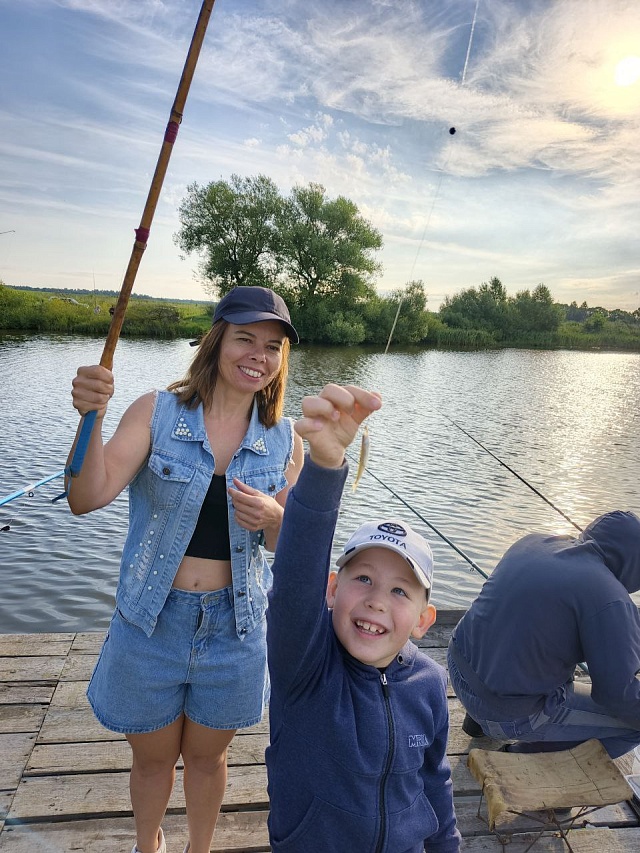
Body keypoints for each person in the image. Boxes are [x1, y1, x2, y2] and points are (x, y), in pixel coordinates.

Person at [67, 286, 304, 853]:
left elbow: (286, 547)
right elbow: (85, 496)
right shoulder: (156, 411)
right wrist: (89, 418)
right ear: (216, 340)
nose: (259, 355)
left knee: (207, 759)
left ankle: (199, 848)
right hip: (151, 620)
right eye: (245, 338)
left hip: (236, 628)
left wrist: (276, 518)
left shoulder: (286, 439)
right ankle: (148, 845)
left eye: (272, 346)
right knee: (152, 762)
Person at [265, 383, 461, 853]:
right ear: (332, 590)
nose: (376, 601)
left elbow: (435, 780)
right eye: (364, 579)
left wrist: (447, 846)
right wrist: (325, 466)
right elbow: (296, 579)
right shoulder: (305, 665)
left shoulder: (430, 683)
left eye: (400, 590)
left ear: (424, 620)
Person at [447, 511, 640, 759]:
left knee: (506, 634)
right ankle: (521, 758)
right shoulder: (610, 598)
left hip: (458, 666)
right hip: (505, 714)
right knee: (634, 725)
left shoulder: (533, 542)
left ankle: (475, 724)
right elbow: (617, 696)